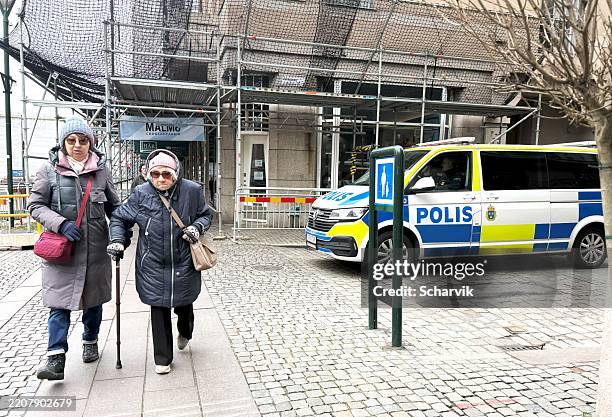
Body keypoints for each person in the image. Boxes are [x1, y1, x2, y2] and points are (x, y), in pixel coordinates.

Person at [27, 115, 121, 380]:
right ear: (63, 143)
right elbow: (35, 205)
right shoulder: (48, 171)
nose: (77, 145)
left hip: (96, 252)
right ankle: (55, 358)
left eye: (83, 140)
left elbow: (115, 208)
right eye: (71, 140)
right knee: (58, 305)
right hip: (63, 253)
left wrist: (118, 236)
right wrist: (59, 223)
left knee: (94, 303)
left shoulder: (101, 172)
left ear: (90, 143)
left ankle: (90, 340)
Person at [107, 149, 212, 375]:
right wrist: (117, 240)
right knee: (159, 307)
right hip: (152, 262)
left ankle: (185, 331)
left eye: (166, 174)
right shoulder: (140, 194)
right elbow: (119, 218)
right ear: (149, 174)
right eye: (155, 174)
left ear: (175, 173)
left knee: (184, 303)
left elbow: (206, 214)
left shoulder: (192, 191)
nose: (161, 179)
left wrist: (197, 226)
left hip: (184, 260)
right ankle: (163, 358)